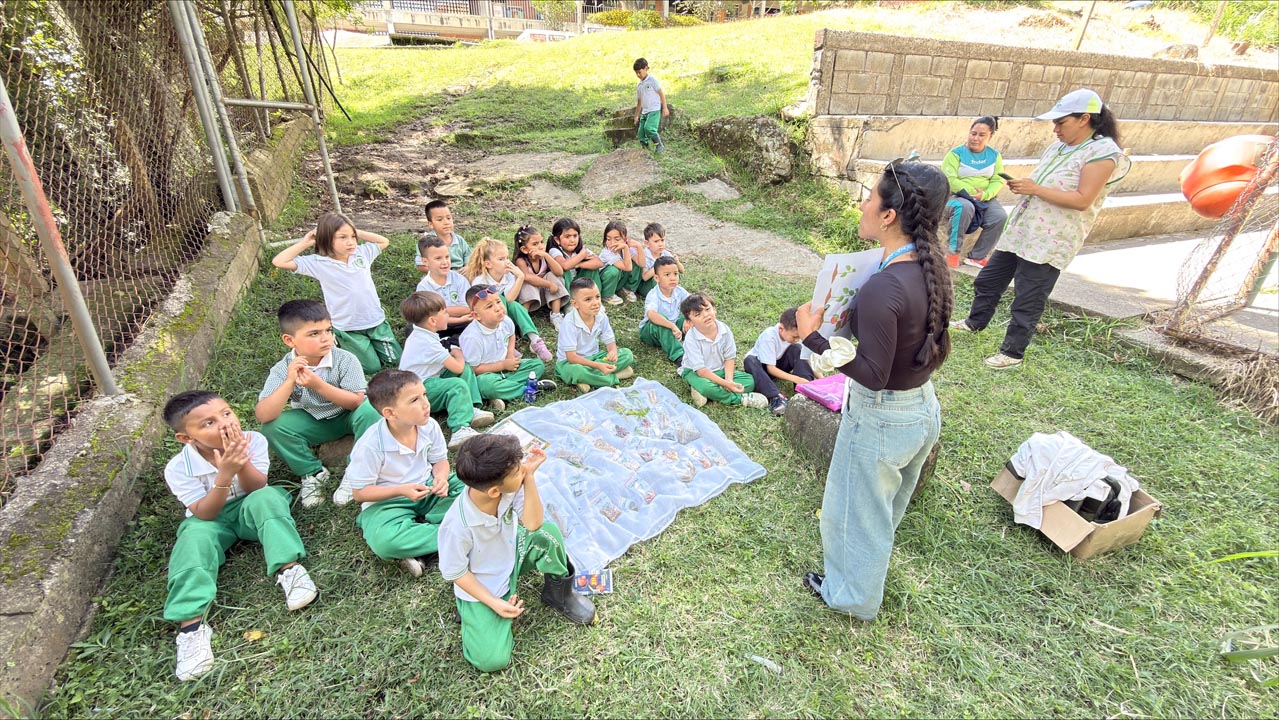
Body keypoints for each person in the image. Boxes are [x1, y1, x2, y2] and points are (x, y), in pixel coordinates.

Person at [794, 160, 952, 620]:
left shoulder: (885, 285)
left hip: (880, 417)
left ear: (888, 215)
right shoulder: (929, 267)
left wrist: (814, 338)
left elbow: (872, 373)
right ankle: (864, 575)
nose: (863, 204)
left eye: (871, 197)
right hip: (920, 409)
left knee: (856, 514)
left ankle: (852, 598)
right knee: (880, 511)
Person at [952, 89, 1130, 369]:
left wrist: (1035, 188)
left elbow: (1083, 199)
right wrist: (1026, 185)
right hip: (1024, 229)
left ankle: (1012, 353)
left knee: (1028, 296)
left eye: (1061, 122)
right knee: (988, 280)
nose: (1055, 128)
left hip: (1052, 238)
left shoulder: (1104, 153)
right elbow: (1046, 183)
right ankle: (975, 322)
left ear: (1084, 119)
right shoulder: (1058, 147)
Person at [160, 391, 317, 681]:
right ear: (186, 438)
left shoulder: (254, 440)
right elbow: (204, 513)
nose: (223, 424)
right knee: (192, 540)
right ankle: (191, 627)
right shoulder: (177, 468)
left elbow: (257, 486)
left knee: (268, 499)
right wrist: (223, 475)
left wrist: (240, 462)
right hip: (210, 519)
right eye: (208, 423)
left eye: (227, 413)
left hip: (250, 505)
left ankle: (290, 570)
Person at [438, 434, 596, 673]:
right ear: (493, 491)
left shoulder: (508, 489)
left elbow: (533, 524)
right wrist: (494, 604)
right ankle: (471, 612)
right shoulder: (456, 526)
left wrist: (528, 478)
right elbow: (456, 573)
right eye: (517, 472)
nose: (522, 471)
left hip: (512, 554)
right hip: (485, 582)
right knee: (491, 660)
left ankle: (559, 594)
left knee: (548, 534)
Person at [255, 300, 382, 508]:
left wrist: (318, 385)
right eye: (314, 334)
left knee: (370, 410)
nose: (326, 339)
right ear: (289, 340)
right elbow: (263, 414)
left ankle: (356, 470)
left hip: (348, 415)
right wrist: (289, 382)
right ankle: (313, 472)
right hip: (313, 420)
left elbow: (355, 401)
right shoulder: (283, 369)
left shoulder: (345, 359)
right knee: (272, 427)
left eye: (328, 330)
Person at [345, 370, 464, 578]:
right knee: (385, 542)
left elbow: (440, 461)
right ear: (390, 413)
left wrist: (441, 478)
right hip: (389, 502)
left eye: (425, 395)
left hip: (428, 489)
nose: (426, 404)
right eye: (414, 400)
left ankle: (425, 543)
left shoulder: (429, 426)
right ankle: (462, 532)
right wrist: (401, 490)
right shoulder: (370, 446)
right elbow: (360, 493)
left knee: (474, 487)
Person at [271, 213, 401, 375]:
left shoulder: (362, 254)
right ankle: (338, 343)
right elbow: (279, 261)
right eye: (342, 237)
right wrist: (306, 242)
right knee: (371, 368)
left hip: (375, 320)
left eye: (352, 237)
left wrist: (355, 231)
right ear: (326, 239)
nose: (350, 242)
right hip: (348, 326)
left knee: (395, 360)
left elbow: (384, 241)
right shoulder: (318, 263)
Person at [399, 291, 496, 449]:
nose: (447, 314)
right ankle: (460, 429)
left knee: (465, 370)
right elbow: (456, 365)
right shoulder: (427, 343)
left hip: (429, 380)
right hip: (417, 391)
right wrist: (456, 349)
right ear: (432, 320)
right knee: (456, 383)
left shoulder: (423, 333)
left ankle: (469, 408)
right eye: (445, 312)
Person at [458, 284, 556, 411]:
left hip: (507, 367)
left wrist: (510, 355)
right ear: (476, 316)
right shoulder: (472, 337)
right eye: (489, 306)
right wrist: (503, 365)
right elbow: (474, 369)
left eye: (498, 301)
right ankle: (528, 389)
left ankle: (502, 393)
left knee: (537, 365)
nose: (498, 308)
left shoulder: (505, 321)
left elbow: (511, 335)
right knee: (486, 385)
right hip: (487, 374)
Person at [463, 237, 553, 363]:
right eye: (501, 259)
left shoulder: (508, 276)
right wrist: (520, 277)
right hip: (488, 320)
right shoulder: (480, 281)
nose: (506, 262)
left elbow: (511, 299)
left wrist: (519, 276)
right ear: (488, 264)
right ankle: (506, 346)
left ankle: (535, 340)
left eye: (507, 258)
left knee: (515, 306)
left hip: (505, 316)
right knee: (498, 298)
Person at [679, 292, 769, 409]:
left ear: (714, 309)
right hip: (694, 372)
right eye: (698, 314)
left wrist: (729, 380)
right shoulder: (691, 338)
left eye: (707, 309)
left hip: (719, 369)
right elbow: (701, 371)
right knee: (706, 386)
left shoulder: (724, 330)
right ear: (689, 321)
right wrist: (727, 385)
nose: (705, 315)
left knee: (750, 380)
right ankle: (740, 399)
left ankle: (705, 391)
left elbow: (729, 358)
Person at [941, 116, 1008, 268]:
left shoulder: (994, 156)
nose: (976, 138)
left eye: (981, 135)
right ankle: (952, 252)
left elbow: (998, 179)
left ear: (990, 136)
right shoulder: (955, 154)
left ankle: (977, 256)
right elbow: (950, 180)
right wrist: (972, 192)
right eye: (973, 133)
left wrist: (985, 195)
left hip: (984, 198)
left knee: (1000, 216)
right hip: (957, 196)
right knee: (964, 207)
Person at [556, 277, 636, 393]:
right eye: (588, 299)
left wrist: (612, 352)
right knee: (577, 371)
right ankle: (615, 377)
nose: (595, 303)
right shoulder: (569, 323)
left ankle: (589, 379)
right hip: (571, 362)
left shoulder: (601, 316)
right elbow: (571, 357)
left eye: (597, 297)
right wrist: (598, 366)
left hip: (594, 357)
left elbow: (610, 342)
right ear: (575, 304)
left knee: (627, 354)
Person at [743, 307, 817, 416]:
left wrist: (822, 379)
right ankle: (775, 397)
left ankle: (805, 389)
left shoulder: (797, 336)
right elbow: (770, 369)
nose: (797, 339)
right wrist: (796, 378)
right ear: (781, 328)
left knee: (797, 349)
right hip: (762, 369)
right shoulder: (769, 336)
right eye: (794, 337)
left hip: (779, 363)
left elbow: (808, 358)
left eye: (799, 336)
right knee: (750, 361)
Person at [415, 234, 473, 345]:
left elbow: (468, 308)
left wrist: (440, 311)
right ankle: (451, 345)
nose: (445, 262)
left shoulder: (459, 280)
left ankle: (454, 344)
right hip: (439, 327)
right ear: (425, 261)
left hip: (465, 322)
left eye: (447, 257)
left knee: (480, 321)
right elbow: (432, 318)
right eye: (438, 258)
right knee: (416, 329)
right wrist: (458, 317)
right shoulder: (424, 287)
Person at [512, 224, 569, 327]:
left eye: (541, 242)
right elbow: (528, 277)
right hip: (528, 296)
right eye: (535, 244)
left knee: (553, 275)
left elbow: (559, 272)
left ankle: (555, 315)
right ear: (524, 249)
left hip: (545, 293)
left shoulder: (543, 257)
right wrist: (549, 284)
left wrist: (547, 255)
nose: (540, 246)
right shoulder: (521, 260)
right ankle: (523, 317)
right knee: (527, 283)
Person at [638, 256, 690, 364]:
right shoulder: (653, 294)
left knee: (691, 318)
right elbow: (652, 315)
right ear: (656, 278)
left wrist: (688, 319)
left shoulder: (679, 291)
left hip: (673, 326)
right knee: (661, 319)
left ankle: (700, 341)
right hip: (652, 331)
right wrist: (672, 326)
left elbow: (692, 304)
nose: (673, 278)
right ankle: (679, 356)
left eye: (675, 274)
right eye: (667, 275)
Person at [547, 217, 608, 290]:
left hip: (577, 281)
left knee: (591, 268)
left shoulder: (580, 249)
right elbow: (565, 266)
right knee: (565, 272)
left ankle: (593, 295)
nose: (572, 240)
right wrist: (581, 256)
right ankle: (569, 299)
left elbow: (599, 263)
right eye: (567, 237)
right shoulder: (554, 250)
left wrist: (579, 264)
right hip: (564, 284)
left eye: (575, 236)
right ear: (557, 240)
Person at [414, 199, 472, 273]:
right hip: (437, 276)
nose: (446, 222)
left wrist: (467, 267)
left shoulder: (459, 240)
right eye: (440, 219)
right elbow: (421, 265)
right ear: (431, 224)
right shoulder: (426, 243)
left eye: (448, 218)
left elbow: (468, 257)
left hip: (460, 274)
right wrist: (440, 272)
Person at [598, 220, 644, 305]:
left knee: (635, 263)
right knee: (613, 271)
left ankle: (627, 289)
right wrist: (626, 248)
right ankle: (607, 295)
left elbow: (642, 264)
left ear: (625, 239)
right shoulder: (607, 253)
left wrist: (639, 246)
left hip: (618, 281)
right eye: (608, 239)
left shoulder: (626, 248)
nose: (612, 243)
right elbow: (628, 268)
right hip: (606, 282)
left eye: (617, 239)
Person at [638, 222, 683, 299]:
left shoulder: (665, 253)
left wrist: (677, 262)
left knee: (677, 273)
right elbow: (644, 277)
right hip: (647, 285)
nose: (660, 244)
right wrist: (658, 264)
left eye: (662, 240)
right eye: (656, 241)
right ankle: (665, 292)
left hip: (662, 281)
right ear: (647, 243)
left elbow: (682, 270)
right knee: (658, 277)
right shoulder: (644, 255)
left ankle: (670, 290)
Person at [633, 57, 668, 152]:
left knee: (649, 128)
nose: (638, 74)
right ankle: (645, 149)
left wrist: (665, 108)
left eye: (639, 72)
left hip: (654, 110)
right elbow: (639, 102)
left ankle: (659, 145)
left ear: (646, 68)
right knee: (641, 133)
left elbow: (661, 93)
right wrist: (636, 116)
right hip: (645, 112)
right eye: (636, 73)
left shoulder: (652, 80)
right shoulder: (639, 85)